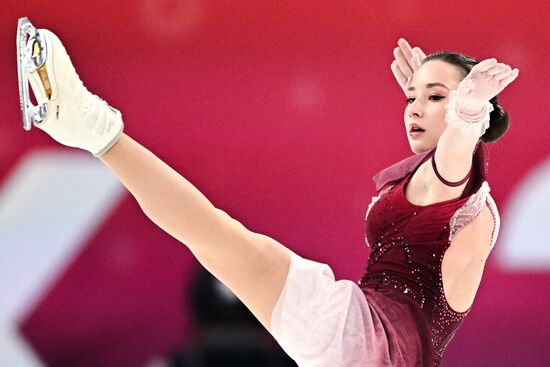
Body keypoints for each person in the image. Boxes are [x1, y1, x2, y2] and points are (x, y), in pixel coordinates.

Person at [21, 24, 518, 367]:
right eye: (413, 97)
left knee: (216, 236)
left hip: (366, 343)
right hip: (367, 343)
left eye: (434, 98)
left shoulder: (461, 186)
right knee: (217, 239)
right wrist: (443, 101)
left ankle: (87, 123)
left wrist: (467, 111)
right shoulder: (446, 185)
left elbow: (455, 155)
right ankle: (90, 128)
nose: (414, 108)